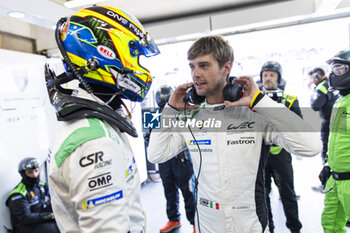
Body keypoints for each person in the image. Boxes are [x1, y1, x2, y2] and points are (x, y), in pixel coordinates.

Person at [147, 35, 321, 233]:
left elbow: (311, 146)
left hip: (250, 223)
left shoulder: (256, 114)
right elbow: (156, 155)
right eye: (192, 66)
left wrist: (259, 101)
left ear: (226, 68)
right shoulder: (191, 117)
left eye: (203, 65)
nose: (195, 74)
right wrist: (170, 110)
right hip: (207, 223)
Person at [45, 6, 159, 233]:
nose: (140, 66)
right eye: (135, 54)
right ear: (102, 54)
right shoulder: (96, 143)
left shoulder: (91, 122)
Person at [260, 61, 302, 233]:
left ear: (279, 78)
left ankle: (295, 229)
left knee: (288, 194)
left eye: (272, 75)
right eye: (265, 75)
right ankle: (269, 229)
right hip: (260, 156)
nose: (268, 78)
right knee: (262, 197)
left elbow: (299, 127)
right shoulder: (254, 100)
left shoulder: (290, 100)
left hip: (281, 155)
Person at [151, 85, 195, 232]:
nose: (163, 99)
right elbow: (150, 138)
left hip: (181, 159)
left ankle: (195, 223)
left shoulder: (183, 112)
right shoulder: (155, 115)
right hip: (164, 162)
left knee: (188, 192)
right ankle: (173, 219)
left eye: (166, 97)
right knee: (169, 191)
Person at [321, 48, 350, 233]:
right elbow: (336, 139)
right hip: (334, 178)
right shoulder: (340, 102)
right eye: (333, 69)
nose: (333, 74)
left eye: (339, 69)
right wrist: (327, 165)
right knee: (330, 224)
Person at [6, 157, 59, 233]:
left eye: (36, 171)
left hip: (39, 217)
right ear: (23, 174)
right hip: (24, 226)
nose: (34, 175)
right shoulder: (18, 194)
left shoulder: (41, 184)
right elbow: (26, 218)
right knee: (56, 228)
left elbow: (55, 196)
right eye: (30, 172)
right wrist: (50, 216)